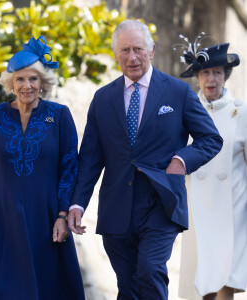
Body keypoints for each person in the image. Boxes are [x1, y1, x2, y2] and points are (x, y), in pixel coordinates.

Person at [68, 20, 223, 300]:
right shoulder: (102, 99)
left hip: (161, 203)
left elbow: (210, 138)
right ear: (116, 54)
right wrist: (78, 202)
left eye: (138, 49)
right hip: (117, 207)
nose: (132, 57)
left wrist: (181, 160)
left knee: (150, 272)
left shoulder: (178, 92)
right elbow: (90, 157)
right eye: (125, 50)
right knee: (127, 286)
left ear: (151, 51)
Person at [0, 36, 85, 300]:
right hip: (1, 219)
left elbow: (69, 169)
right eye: (20, 79)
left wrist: (63, 215)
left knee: (44, 288)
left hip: (45, 220)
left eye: (33, 79)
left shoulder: (60, 116)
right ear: (11, 83)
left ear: (42, 82)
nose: (26, 85)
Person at [176, 34, 247, 300]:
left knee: (223, 285)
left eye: (217, 72)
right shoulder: (185, 111)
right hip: (198, 208)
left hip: (232, 212)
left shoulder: (241, 113)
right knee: (200, 285)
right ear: (197, 77)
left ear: (225, 76)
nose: (211, 80)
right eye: (205, 73)